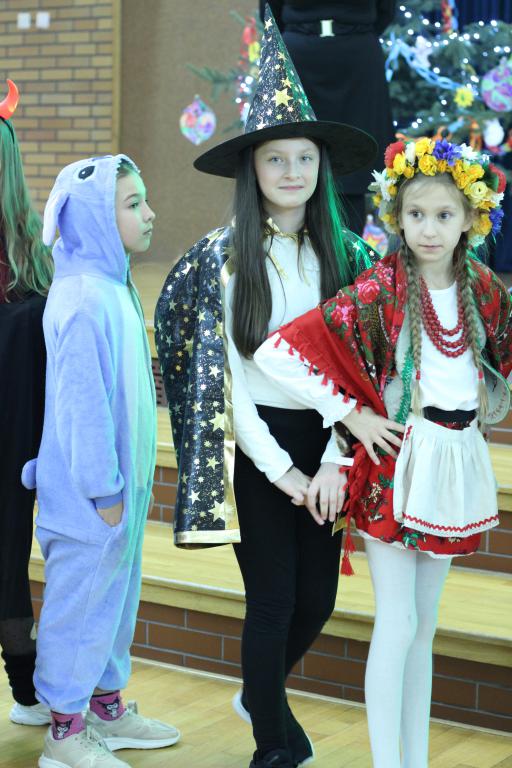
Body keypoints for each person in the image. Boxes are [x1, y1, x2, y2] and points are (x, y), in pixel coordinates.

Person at [155, 9, 377, 768]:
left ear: (321, 168)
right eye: (276, 158)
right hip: (259, 448)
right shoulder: (223, 261)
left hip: (330, 443)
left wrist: (335, 463)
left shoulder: (349, 259)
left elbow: (364, 372)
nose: (291, 172)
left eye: (305, 158)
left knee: (319, 600)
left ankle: (261, 694)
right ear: (252, 169)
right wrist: (282, 471)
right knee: (274, 600)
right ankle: (271, 745)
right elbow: (225, 384)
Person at [254, 137, 512, 768]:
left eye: (444, 215)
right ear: (397, 217)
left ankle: (414, 761)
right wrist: (352, 415)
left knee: (423, 629)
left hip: (454, 461)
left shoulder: (483, 289)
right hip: (398, 465)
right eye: (416, 214)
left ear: (471, 219)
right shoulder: (381, 289)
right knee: (397, 625)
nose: (429, 229)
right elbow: (276, 354)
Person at [22, 154, 180, 768]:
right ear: (92, 217)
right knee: (80, 606)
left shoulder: (112, 287)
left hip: (117, 494)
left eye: (145, 200)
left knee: (113, 602)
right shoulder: (84, 299)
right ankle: (64, 731)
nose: (150, 213)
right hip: (92, 497)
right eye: (133, 203)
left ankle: (105, 708)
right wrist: (104, 489)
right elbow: (81, 407)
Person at [0, 79, 53, 727]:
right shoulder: (34, 268)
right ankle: (27, 691)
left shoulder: (32, 266)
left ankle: (27, 690)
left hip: (16, 429)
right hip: (18, 428)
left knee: (8, 554)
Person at [260, 0, 396, 235]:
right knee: (292, 149)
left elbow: (385, 8)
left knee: (355, 160)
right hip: (298, 56)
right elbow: (270, 10)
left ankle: (347, 253)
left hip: (357, 58)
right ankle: (291, 250)